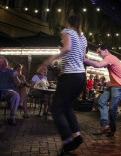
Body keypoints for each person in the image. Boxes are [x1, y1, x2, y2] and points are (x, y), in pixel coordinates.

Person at [40, 15, 87, 154]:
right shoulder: (82, 37)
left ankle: (67, 141)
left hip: (70, 76)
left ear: (68, 23)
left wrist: (47, 62)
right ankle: (77, 136)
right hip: (81, 77)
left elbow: (66, 48)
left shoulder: (67, 31)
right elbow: (83, 58)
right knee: (67, 107)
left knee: (56, 109)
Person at [84, 45, 121, 137]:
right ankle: (105, 126)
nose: (99, 54)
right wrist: (111, 81)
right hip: (114, 85)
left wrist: (85, 60)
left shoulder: (110, 57)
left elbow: (99, 65)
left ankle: (112, 129)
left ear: (106, 50)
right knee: (101, 101)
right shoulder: (110, 58)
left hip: (120, 86)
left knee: (112, 108)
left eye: (99, 52)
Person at [0, 56, 21, 125]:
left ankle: (12, 117)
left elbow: (18, 84)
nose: (1, 63)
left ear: (6, 63)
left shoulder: (12, 72)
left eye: (2, 62)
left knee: (16, 95)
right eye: (0, 62)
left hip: (8, 92)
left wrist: (15, 77)